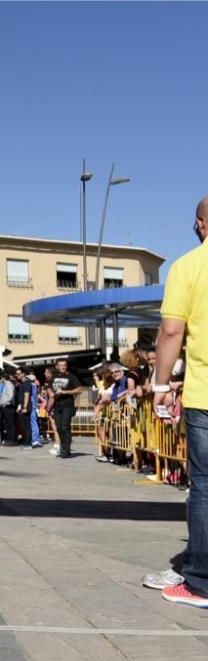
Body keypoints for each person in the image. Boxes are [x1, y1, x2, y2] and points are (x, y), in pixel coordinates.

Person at [151, 195, 208, 606]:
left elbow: (171, 332)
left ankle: (200, 582)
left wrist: (160, 385)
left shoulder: (188, 266)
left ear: (201, 224)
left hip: (205, 395)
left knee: (204, 486)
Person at [50, 358, 83, 458]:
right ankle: (62, 448)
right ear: (57, 366)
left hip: (67, 405)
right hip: (57, 405)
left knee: (65, 427)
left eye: (64, 365)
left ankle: (66, 450)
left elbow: (80, 389)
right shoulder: (53, 377)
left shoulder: (71, 376)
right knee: (59, 428)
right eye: (61, 365)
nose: (63, 367)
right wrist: (51, 393)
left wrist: (65, 392)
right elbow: (48, 387)